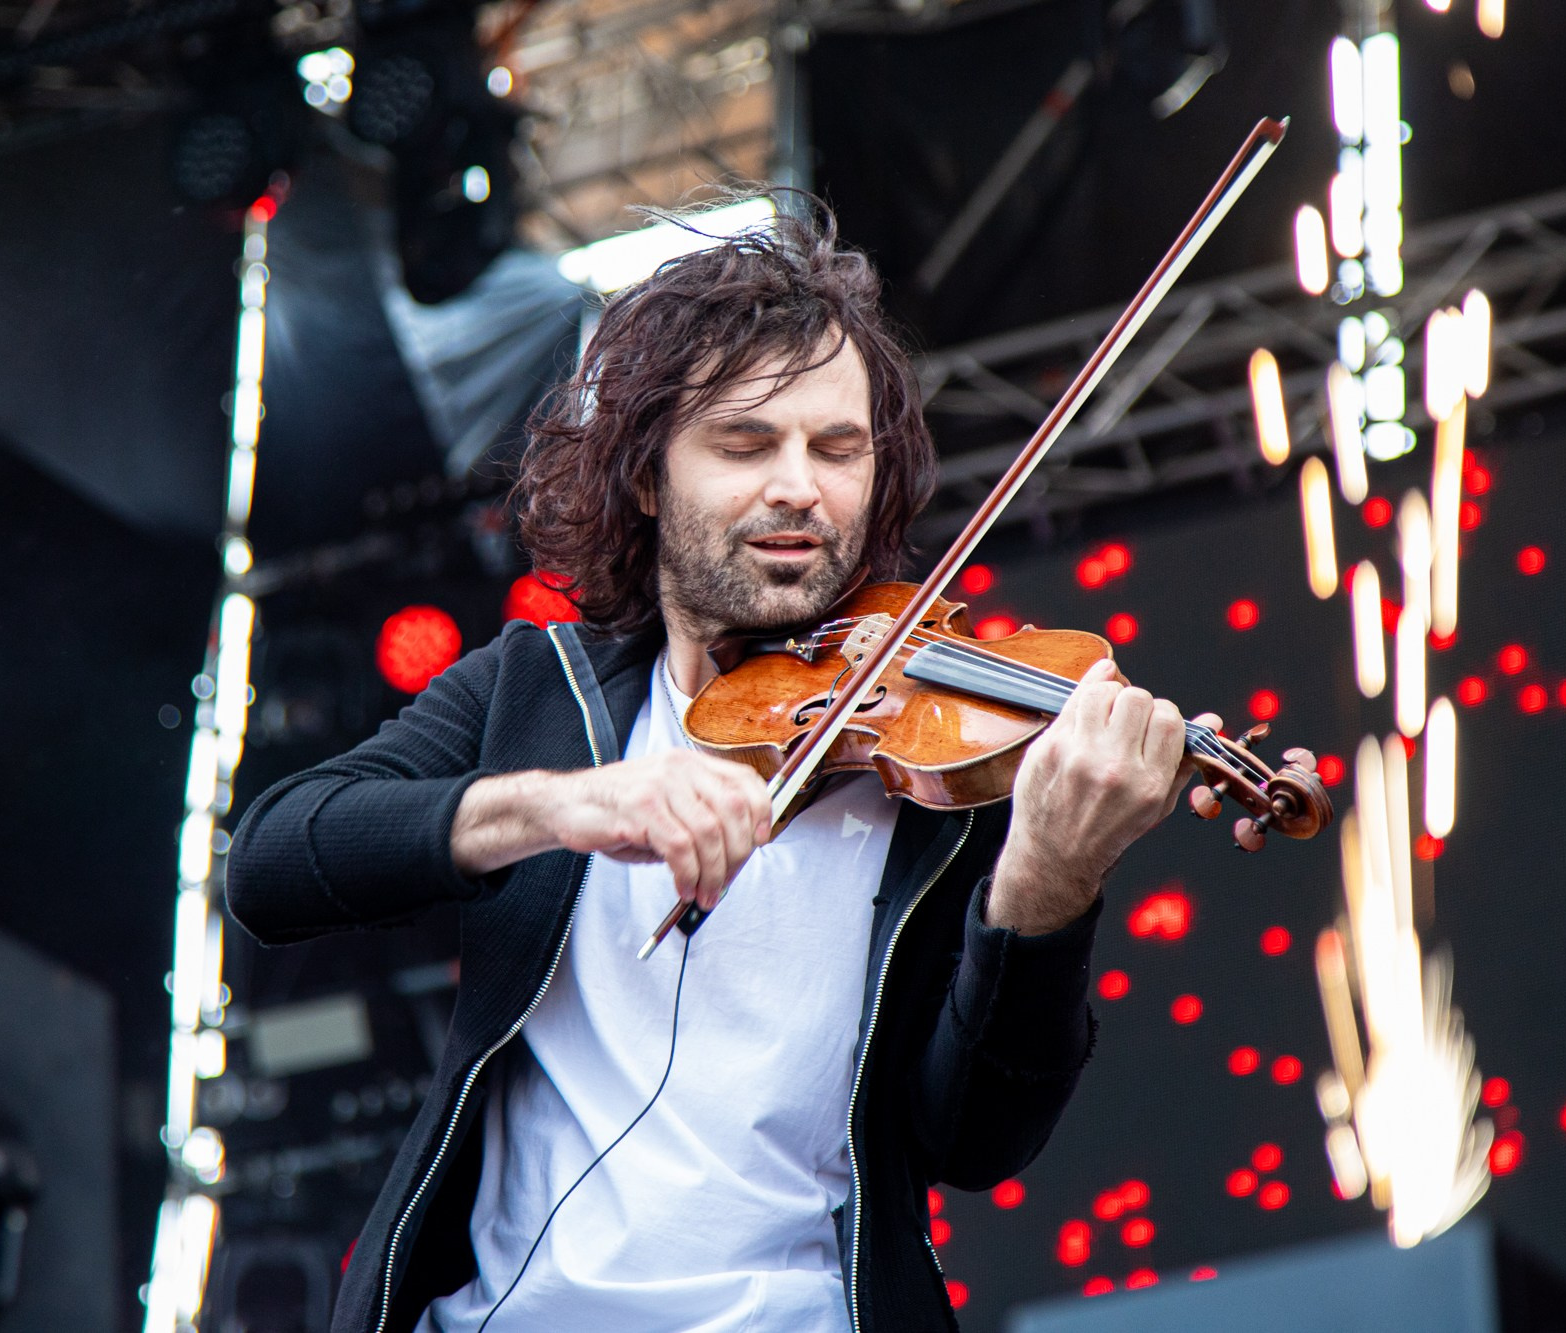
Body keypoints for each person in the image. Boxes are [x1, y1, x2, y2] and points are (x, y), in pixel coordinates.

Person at [226, 203, 1213, 1333]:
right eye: (745, 445)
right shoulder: (538, 696)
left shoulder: (943, 768)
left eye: (837, 449)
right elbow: (273, 862)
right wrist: (559, 803)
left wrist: (1048, 882)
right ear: (647, 476)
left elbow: (976, 1137)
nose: (799, 486)